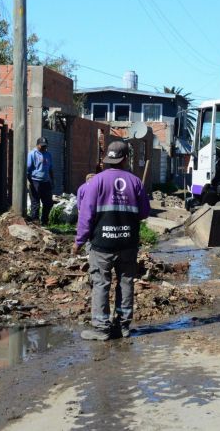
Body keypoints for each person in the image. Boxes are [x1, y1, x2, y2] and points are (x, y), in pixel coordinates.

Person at [74, 141, 150, 340]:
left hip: (102, 245)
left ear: (108, 158)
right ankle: (122, 327)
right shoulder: (135, 182)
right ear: (126, 159)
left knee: (100, 284)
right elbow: (144, 213)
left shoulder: (96, 182)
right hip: (128, 243)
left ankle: (101, 328)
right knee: (126, 283)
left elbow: (86, 215)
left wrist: (79, 241)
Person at [26, 136, 54, 225]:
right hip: (35, 181)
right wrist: (31, 182)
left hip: (46, 182)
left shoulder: (48, 155)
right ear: (37, 145)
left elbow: (50, 169)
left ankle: (44, 221)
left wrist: (52, 181)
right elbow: (27, 170)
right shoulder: (32, 154)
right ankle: (35, 222)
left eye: (45, 146)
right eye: (42, 145)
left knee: (48, 203)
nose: (44, 147)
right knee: (35, 204)